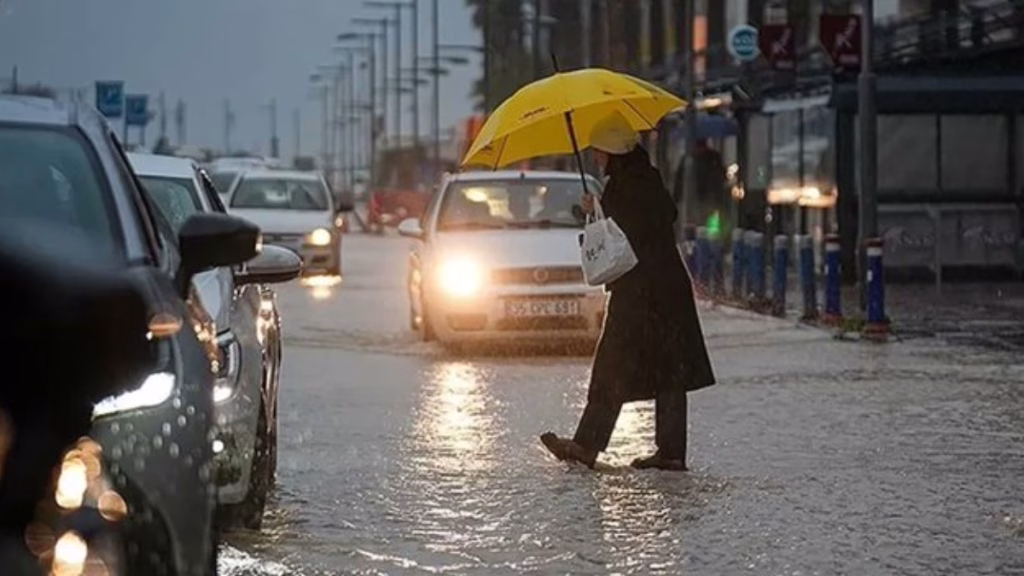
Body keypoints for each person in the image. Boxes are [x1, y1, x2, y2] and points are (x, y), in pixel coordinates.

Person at [540, 112, 716, 471]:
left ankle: (588, 446)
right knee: (669, 369)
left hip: (642, 291)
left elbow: (628, 234)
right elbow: (656, 218)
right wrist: (601, 207)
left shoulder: (630, 184)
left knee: (612, 365)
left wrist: (600, 209)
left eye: (599, 151)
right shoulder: (642, 177)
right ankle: (670, 453)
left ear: (612, 151)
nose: (595, 157)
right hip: (662, 289)